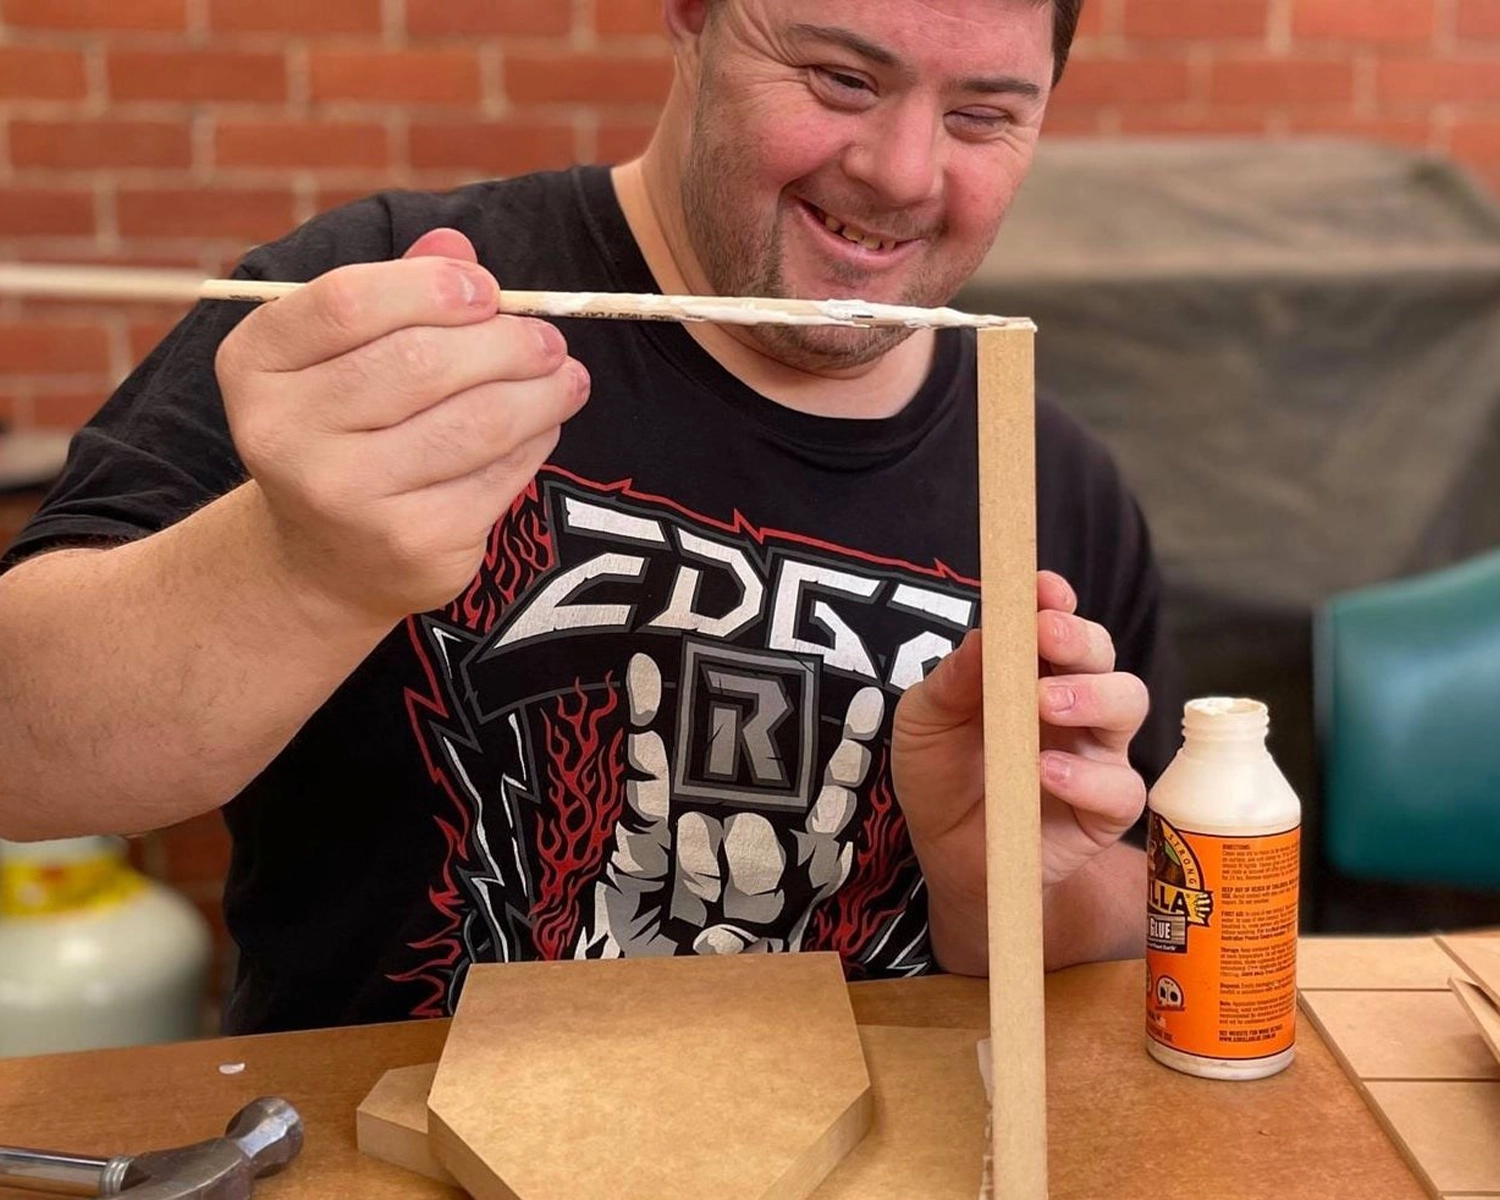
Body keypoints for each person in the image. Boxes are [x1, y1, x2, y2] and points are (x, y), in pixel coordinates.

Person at [0, 0, 1178, 1033]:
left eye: (982, 116)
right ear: (692, 16)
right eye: (841, 79)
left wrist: (1006, 889)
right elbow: (22, 760)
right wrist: (298, 569)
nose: (905, 172)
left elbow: (1139, 909)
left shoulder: (1051, 479)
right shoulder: (384, 310)